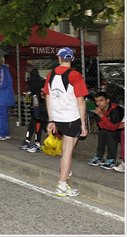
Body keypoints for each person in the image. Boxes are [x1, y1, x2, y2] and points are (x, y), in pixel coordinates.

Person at [44, 47, 88, 197]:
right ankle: (62, 185)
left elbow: (48, 97)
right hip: (71, 118)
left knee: (66, 152)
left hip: (58, 117)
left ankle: (65, 172)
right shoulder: (75, 75)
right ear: (73, 59)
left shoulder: (51, 74)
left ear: (59, 58)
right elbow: (80, 102)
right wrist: (83, 123)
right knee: (67, 153)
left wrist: (51, 119)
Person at [88, 92, 124, 170]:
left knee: (110, 132)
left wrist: (102, 116)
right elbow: (101, 126)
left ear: (107, 100)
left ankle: (112, 160)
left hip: (122, 132)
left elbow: (114, 127)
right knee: (102, 132)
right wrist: (103, 117)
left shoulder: (115, 109)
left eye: (101, 100)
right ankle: (99, 157)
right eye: (97, 101)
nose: (98, 103)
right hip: (111, 129)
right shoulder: (100, 110)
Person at [0, 56, 15, 141]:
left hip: (2, 97)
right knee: (4, 116)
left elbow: (2, 84)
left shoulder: (1, 71)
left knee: (1, 116)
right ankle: (6, 133)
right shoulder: (4, 70)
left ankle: (1, 134)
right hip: (5, 97)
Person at [20, 85, 48, 153]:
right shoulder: (38, 99)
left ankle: (37, 143)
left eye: (43, 91)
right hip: (41, 119)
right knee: (33, 121)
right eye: (41, 91)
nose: (42, 93)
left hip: (48, 121)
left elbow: (46, 113)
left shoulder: (48, 100)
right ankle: (28, 140)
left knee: (37, 123)